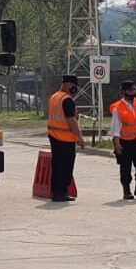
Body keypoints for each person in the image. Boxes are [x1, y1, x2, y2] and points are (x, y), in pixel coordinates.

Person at [46, 74, 86, 202]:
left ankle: (56, 192)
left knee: (57, 166)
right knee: (66, 167)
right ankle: (61, 192)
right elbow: (71, 120)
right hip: (65, 138)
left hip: (54, 136)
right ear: (68, 85)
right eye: (74, 86)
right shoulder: (67, 100)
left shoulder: (54, 97)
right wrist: (79, 137)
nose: (75, 89)